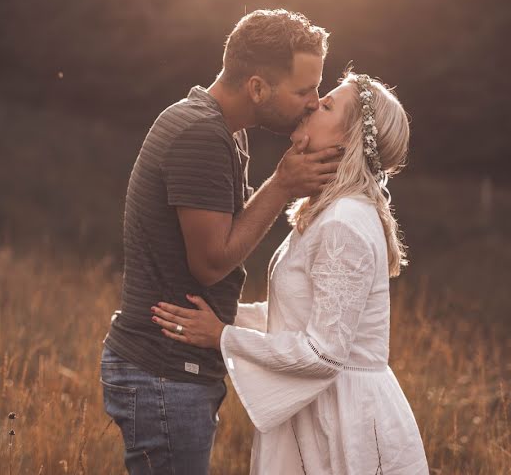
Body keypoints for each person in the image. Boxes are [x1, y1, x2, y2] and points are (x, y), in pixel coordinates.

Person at [101, 9, 344, 474]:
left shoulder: (223, 131)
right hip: (163, 371)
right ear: (257, 88)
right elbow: (211, 263)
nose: (314, 102)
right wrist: (282, 185)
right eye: (303, 90)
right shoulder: (201, 135)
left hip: (170, 370)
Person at [152, 69, 430, 474]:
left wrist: (222, 337)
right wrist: (226, 316)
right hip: (318, 409)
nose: (315, 103)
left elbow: (322, 353)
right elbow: (302, 319)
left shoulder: (344, 223)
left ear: (345, 141)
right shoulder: (333, 213)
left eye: (329, 105)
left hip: (341, 423)